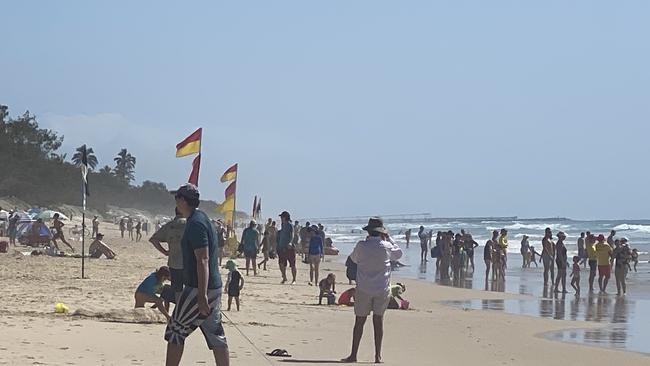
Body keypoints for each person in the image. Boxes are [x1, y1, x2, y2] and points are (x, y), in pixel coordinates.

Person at [165, 183, 229, 366]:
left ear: (183, 200)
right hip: (211, 286)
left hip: (199, 288)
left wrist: (201, 296)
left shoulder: (196, 224)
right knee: (215, 333)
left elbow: (203, 259)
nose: (176, 201)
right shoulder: (201, 218)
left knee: (175, 331)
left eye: (177, 198)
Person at [342, 217, 402, 364]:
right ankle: (377, 356)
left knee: (359, 322)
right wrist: (389, 238)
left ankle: (353, 354)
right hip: (381, 289)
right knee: (378, 321)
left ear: (368, 231)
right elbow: (399, 253)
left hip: (364, 288)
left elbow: (353, 260)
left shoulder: (361, 245)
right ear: (381, 232)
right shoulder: (387, 246)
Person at [150, 209, 186, 302]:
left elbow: (154, 240)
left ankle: (178, 310)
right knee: (189, 290)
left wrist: (165, 252)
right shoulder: (189, 224)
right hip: (188, 263)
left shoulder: (170, 225)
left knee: (177, 290)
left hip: (174, 263)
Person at [276, 211, 295, 285]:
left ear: (284, 217)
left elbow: (292, 234)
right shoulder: (283, 224)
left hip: (289, 248)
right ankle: (284, 277)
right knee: (281, 264)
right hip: (281, 247)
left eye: (281, 217)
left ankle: (294, 279)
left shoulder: (290, 225)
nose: (281, 218)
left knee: (292, 264)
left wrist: (290, 242)